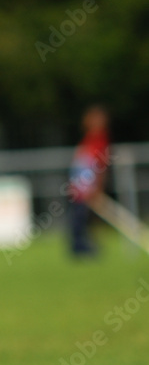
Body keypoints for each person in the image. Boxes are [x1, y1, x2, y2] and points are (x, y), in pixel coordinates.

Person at [67, 105, 110, 256]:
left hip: (87, 185)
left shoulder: (100, 140)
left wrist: (96, 187)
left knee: (87, 216)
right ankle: (79, 246)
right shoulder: (89, 139)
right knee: (78, 216)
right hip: (80, 185)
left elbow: (99, 166)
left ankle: (86, 246)